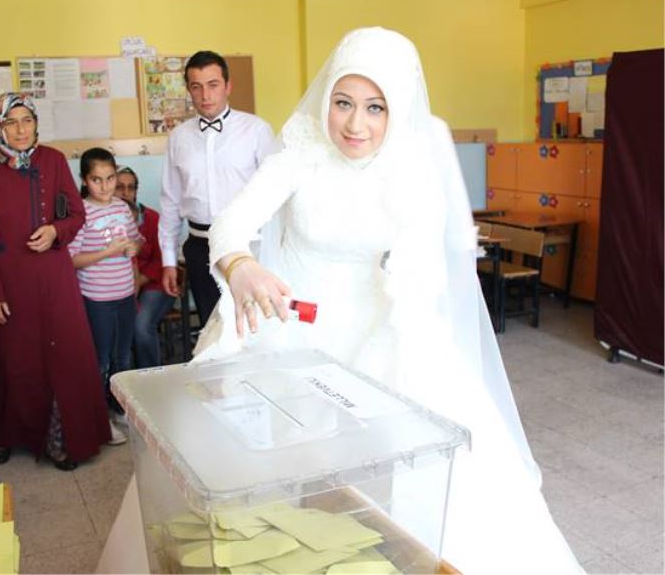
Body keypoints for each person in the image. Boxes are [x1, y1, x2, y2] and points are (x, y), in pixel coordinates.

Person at [194, 28, 581, 573]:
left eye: (375, 107)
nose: (355, 124)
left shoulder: (412, 168)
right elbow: (230, 222)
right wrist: (242, 266)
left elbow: (421, 269)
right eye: (343, 103)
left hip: (382, 325)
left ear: (396, 108)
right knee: (268, 482)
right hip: (289, 324)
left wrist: (398, 322)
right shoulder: (302, 153)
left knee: (402, 488)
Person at [0, 93, 110, 470]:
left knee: (63, 357)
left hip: (55, 278)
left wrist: (55, 231)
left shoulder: (53, 160)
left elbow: (76, 214)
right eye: (10, 122)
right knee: (15, 361)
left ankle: (61, 441)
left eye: (27, 120)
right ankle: (9, 434)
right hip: (8, 281)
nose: (20, 130)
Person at [159, 50, 275, 327]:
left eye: (213, 85)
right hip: (200, 247)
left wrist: (273, 252)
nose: (205, 95)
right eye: (196, 87)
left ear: (227, 86)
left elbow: (273, 195)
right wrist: (168, 260)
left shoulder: (256, 130)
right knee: (213, 327)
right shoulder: (178, 138)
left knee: (254, 325)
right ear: (188, 90)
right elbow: (170, 201)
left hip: (247, 245)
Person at [69, 150, 143, 445]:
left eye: (110, 178)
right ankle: (99, 418)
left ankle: (119, 408)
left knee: (122, 357)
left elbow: (136, 240)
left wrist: (133, 248)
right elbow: (71, 259)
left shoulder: (122, 208)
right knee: (100, 360)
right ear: (84, 180)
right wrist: (108, 252)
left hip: (124, 294)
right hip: (97, 298)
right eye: (96, 180)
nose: (105, 186)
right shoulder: (81, 212)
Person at [115, 166, 174, 368]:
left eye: (131, 187)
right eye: (119, 187)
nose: (125, 193)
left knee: (141, 324)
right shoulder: (102, 220)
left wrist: (138, 281)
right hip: (119, 287)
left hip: (154, 284)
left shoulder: (152, 218)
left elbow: (162, 260)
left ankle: (149, 375)